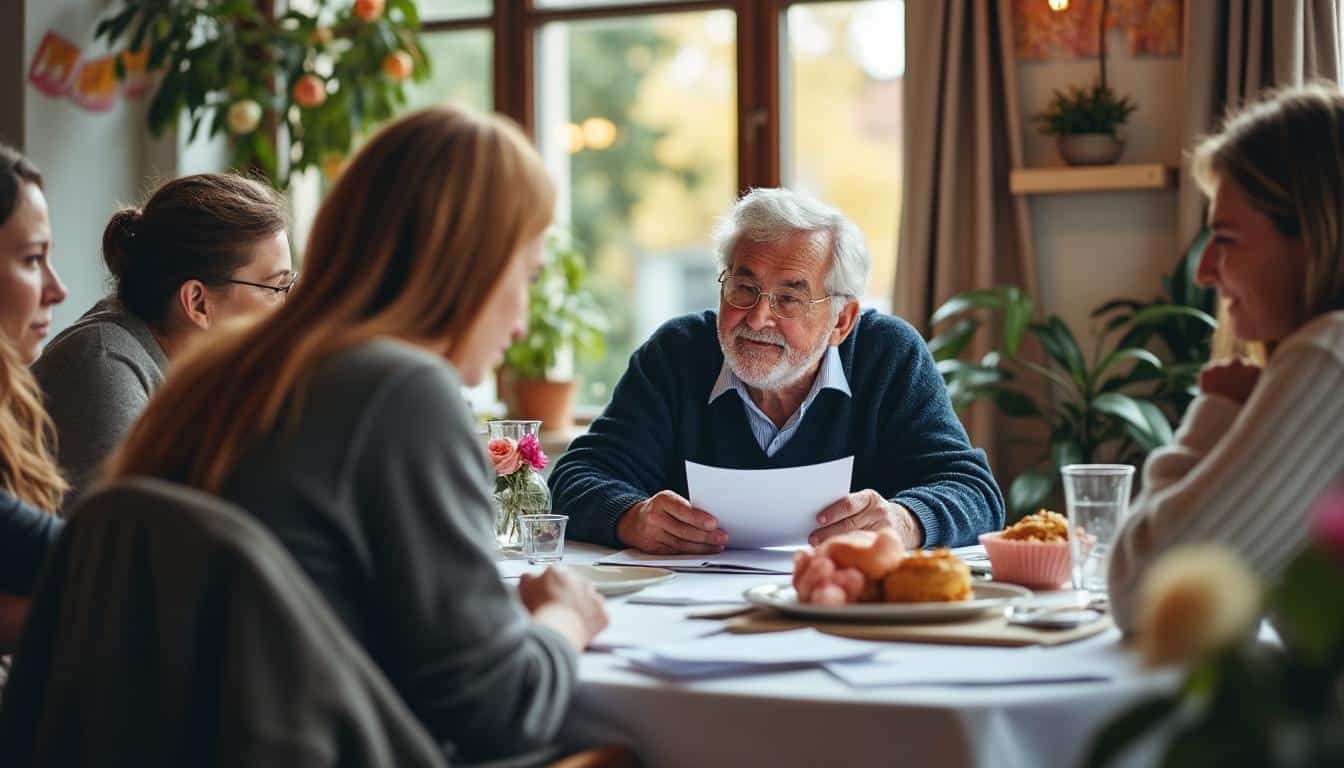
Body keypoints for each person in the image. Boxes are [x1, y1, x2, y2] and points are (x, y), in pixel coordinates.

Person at [105, 106, 606, 765]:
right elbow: (496, 708)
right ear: (472, 265)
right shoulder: (402, 393)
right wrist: (567, 618)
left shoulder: (213, 376)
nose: (522, 320)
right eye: (529, 274)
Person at [550, 188, 1004, 554]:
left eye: (789, 298)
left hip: (848, 612)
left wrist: (905, 522)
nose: (757, 317)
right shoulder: (678, 354)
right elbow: (576, 475)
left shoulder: (887, 356)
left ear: (841, 322)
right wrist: (630, 517)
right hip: (693, 615)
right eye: (744, 288)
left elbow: (974, 491)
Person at [1108, 84, 1344, 632]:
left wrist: (1216, 414)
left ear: (1314, 236)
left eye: (1227, 239)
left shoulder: (1327, 355)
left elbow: (1144, 593)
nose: (1205, 271)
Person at [33, 173, 293, 503]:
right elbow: (113, 545)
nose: (289, 308)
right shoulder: (105, 369)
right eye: (277, 288)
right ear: (198, 302)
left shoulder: (192, 375)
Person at [0, 144, 67, 652]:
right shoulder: (111, 360)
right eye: (32, 260)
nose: (57, 289)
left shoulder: (15, 399)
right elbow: (73, 558)